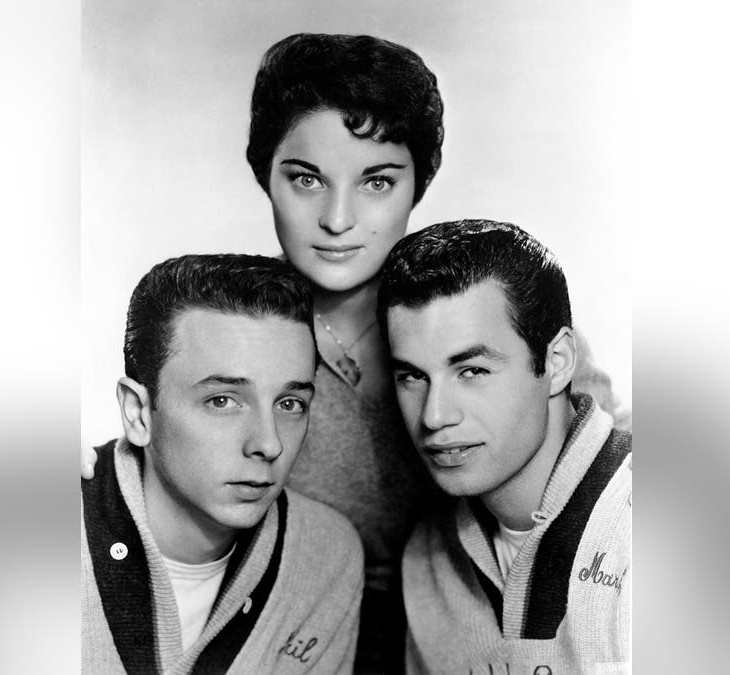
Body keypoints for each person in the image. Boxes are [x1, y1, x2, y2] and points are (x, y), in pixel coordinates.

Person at [84, 33, 629, 672]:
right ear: (265, 177)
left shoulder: (473, 309)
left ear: (417, 187)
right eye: (307, 179)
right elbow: (165, 437)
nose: (339, 218)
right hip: (295, 634)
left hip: (471, 628)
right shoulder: (242, 327)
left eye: (376, 181)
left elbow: (604, 473)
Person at [81, 254, 363, 674]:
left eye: (290, 403)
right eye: (222, 401)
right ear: (139, 413)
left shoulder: (325, 554)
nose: (268, 443)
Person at [378, 220, 631, 674]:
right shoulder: (426, 557)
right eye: (412, 377)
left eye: (472, 371)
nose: (434, 416)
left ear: (557, 362)